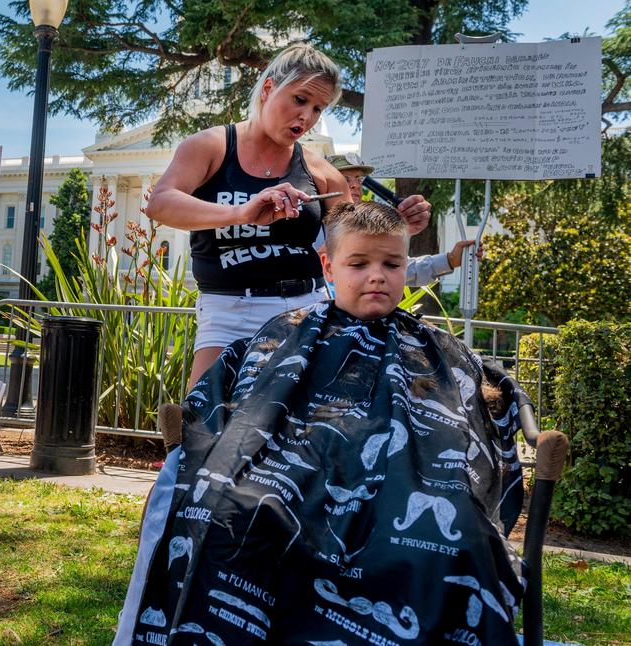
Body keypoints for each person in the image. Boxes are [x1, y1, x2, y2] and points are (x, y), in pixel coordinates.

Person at [115, 202, 525, 643]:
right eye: (359, 263)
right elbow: (234, 399)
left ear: (407, 265)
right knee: (226, 513)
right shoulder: (284, 332)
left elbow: (480, 416)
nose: (376, 276)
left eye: (391, 263)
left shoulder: (438, 350)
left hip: (410, 484)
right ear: (328, 265)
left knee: (461, 540)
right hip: (289, 474)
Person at [145, 44, 431, 387]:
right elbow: (159, 204)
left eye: (317, 108)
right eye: (300, 100)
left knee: (307, 426)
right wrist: (241, 213)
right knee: (202, 420)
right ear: (268, 89)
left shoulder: (322, 173)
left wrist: (399, 225)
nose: (307, 117)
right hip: (230, 307)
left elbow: (353, 243)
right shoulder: (211, 147)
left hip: (306, 307)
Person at [326, 153, 481, 286]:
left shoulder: (360, 224)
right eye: (345, 179)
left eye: (359, 179)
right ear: (324, 181)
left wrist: (451, 260)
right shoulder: (310, 225)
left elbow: (397, 270)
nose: (355, 185)